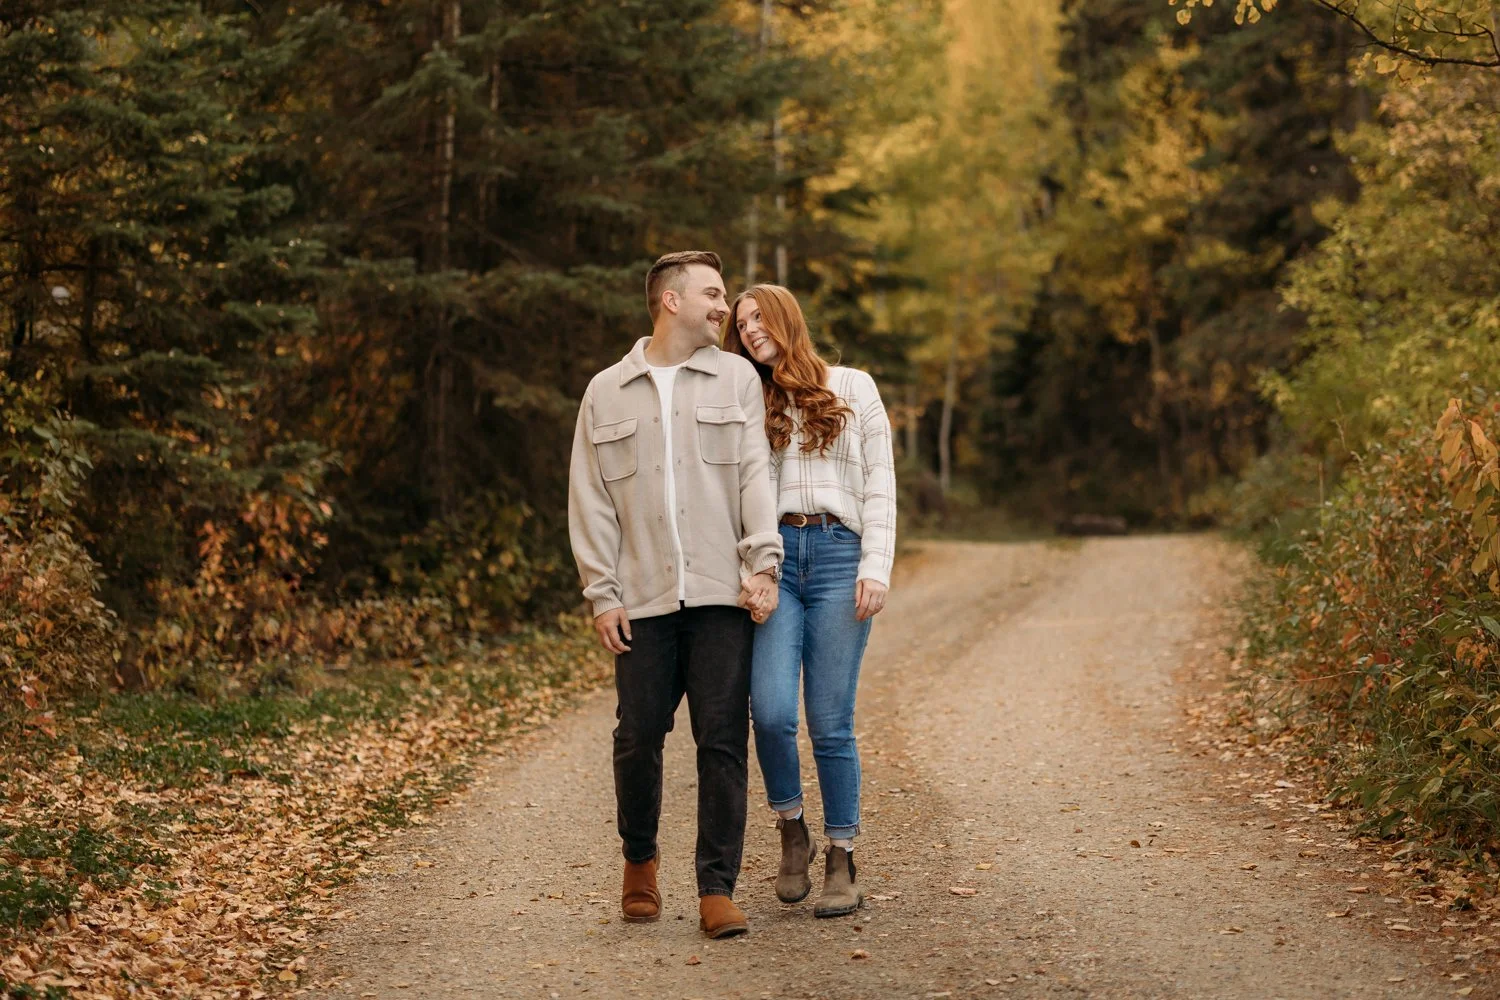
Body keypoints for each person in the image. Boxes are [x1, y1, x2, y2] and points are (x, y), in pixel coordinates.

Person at [567, 251, 784, 939]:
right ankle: (640, 862)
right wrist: (602, 593)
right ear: (671, 301)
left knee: (722, 740)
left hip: (723, 592)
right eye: (714, 296)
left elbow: (754, 475)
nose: (725, 309)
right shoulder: (606, 391)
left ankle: (716, 888)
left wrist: (763, 562)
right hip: (645, 597)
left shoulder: (736, 381)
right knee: (637, 737)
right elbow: (591, 500)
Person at [724, 284, 895, 918]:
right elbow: (749, 493)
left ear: (786, 318)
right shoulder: (752, 399)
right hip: (776, 564)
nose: (750, 331)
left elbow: (881, 484)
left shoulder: (854, 386)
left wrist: (875, 566)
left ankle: (841, 854)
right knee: (769, 710)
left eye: (758, 318)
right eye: (741, 325)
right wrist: (758, 567)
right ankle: (791, 828)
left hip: (837, 555)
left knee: (829, 720)